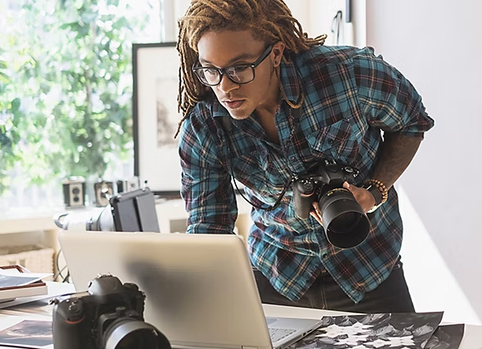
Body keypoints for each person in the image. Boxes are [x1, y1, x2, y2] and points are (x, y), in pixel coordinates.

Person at [175, 0, 434, 314]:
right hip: (276, 276)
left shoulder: (349, 74)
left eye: (239, 68)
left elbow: (411, 121)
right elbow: (209, 230)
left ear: (276, 53)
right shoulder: (205, 127)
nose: (225, 87)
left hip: (369, 267)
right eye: (211, 70)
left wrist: (375, 191)